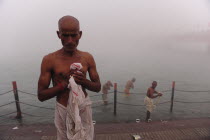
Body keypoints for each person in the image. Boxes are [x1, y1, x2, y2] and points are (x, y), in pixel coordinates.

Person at [37, 15, 101, 140]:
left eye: (74, 35)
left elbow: (97, 87)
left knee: (86, 136)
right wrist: (64, 84)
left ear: (80, 34)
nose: (70, 40)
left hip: (83, 108)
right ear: (58, 34)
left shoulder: (87, 58)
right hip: (63, 108)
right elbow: (41, 95)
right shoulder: (49, 60)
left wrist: (83, 81)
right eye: (65, 35)